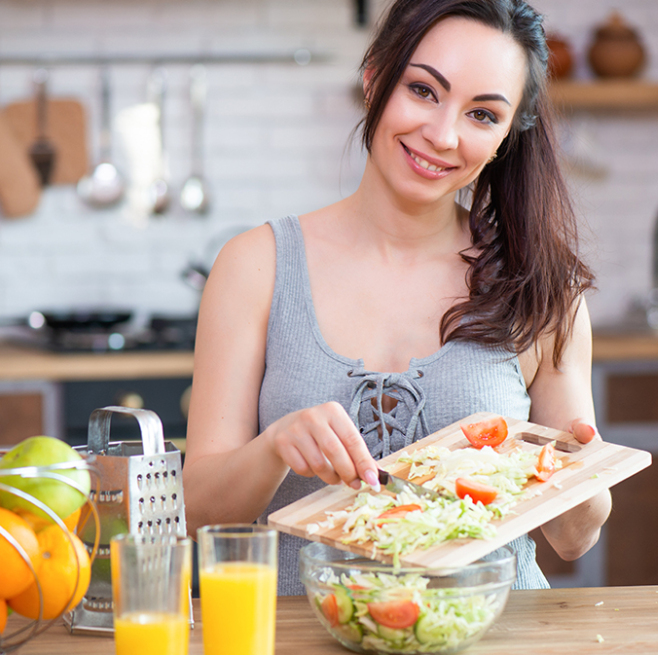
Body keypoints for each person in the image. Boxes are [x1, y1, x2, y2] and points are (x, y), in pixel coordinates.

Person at [183, 0, 611, 595]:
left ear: (505, 138)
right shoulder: (255, 266)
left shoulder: (541, 285)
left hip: (490, 634)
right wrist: (274, 446)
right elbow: (197, 513)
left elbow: (573, 539)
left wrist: (580, 481)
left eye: (482, 114)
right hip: (302, 636)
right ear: (373, 78)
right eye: (423, 90)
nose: (442, 135)